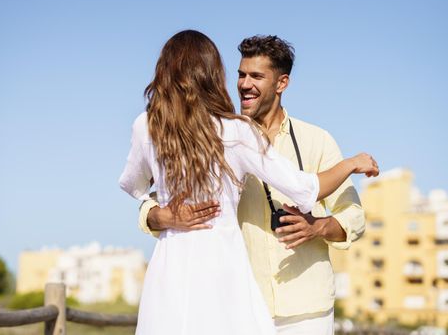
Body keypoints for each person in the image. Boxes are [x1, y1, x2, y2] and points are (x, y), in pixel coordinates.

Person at [120, 30, 378, 335]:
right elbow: (304, 187)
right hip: (234, 287)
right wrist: (157, 214)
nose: (244, 84)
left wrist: (318, 226)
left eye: (256, 76)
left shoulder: (146, 125)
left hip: (301, 303)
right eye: (240, 75)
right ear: (213, 72)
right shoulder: (236, 131)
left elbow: (132, 185)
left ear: (282, 83)